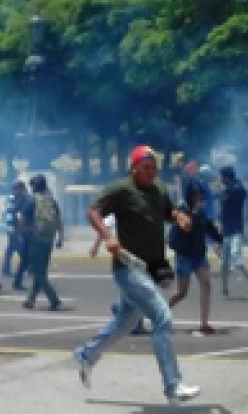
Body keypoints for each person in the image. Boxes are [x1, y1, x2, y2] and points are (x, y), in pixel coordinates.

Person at [73, 145, 200, 406]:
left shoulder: (160, 189)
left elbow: (168, 212)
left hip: (151, 269)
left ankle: (86, 355)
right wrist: (108, 237)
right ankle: (173, 386)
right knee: (162, 316)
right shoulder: (122, 189)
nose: (152, 172)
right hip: (128, 269)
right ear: (134, 168)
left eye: (154, 168)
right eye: (146, 168)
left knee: (125, 322)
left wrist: (179, 218)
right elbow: (92, 211)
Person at [166, 187, 223, 336]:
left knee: (206, 284)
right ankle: (160, 312)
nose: (201, 201)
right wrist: (192, 215)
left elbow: (210, 229)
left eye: (201, 198)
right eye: (198, 198)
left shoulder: (201, 214)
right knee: (181, 293)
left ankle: (204, 324)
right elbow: (182, 231)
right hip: (184, 256)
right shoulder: (182, 213)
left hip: (199, 256)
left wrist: (220, 240)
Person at [217, 167, 248, 300]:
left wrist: (223, 191)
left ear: (226, 177)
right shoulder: (227, 190)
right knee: (224, 262)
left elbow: (238, 193)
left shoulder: (237, 189)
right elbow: (222, 209)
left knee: (237, 260)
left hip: (235, 229)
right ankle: (225, 288)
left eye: (222, 177)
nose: (221, 180)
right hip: (226, 229)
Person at [21, 175, 65, 310]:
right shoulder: (51, 200)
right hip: (49, 239)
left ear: (35, 187)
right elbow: (59, 219)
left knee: (38, 273)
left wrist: (24, 234)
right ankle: (30, 300)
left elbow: (22, 219)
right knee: (41, 271)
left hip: (36, 239)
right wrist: (60, 238)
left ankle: (54, 299)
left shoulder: (31, 200)